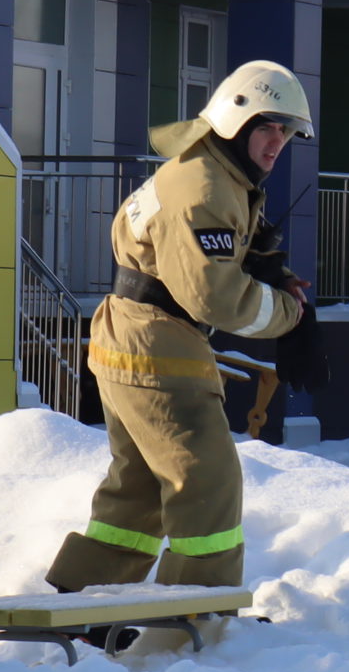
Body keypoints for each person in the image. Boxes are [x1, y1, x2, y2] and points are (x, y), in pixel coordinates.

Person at [44, 61, 329, 630]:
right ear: (234, 120)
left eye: (287, 133)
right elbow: (213, 297)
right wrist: (289, 317)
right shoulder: (205, 189)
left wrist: (267, 269)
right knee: (208, 480)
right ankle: (197, 614)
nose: (278, 143)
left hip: (132, 338)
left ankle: (85, 605)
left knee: (142, 487)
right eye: (268, 127)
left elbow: (201, 260)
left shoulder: (209, 173)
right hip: (158, 348)